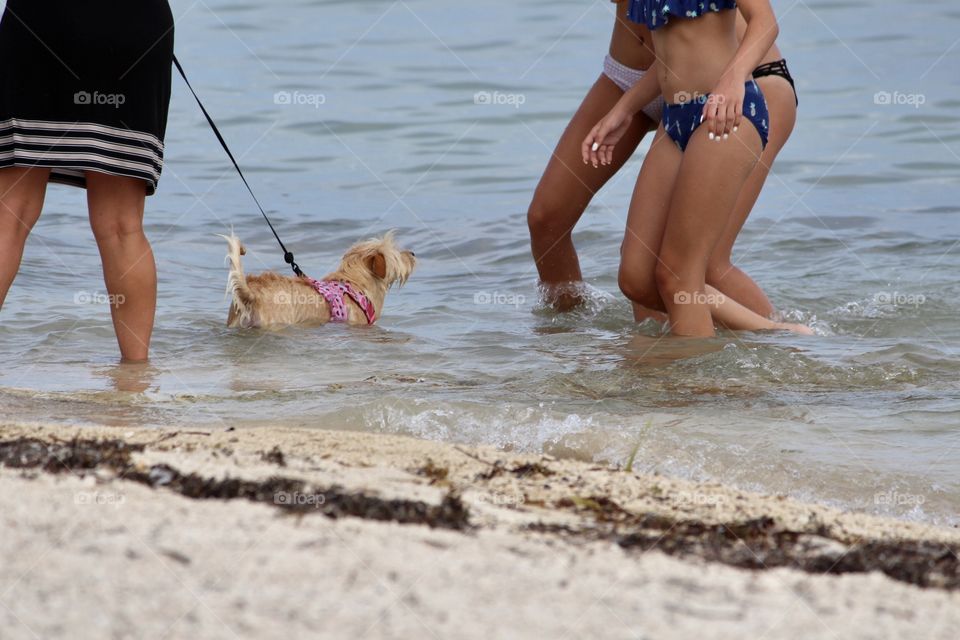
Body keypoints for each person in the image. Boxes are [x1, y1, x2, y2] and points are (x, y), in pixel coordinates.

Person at [585, 0, 809, 335]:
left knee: (678, 276)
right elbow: (673, 53)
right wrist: (624, 109)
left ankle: (699, 369)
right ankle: (775, 332)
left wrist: (733, 78)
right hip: (674, 118)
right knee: (636, 278)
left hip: (724, 113)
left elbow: (764, 22)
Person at [0, 0, 175, 362]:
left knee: (9, 216)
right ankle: (135, 376)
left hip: (42, 24)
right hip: (133, 27)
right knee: (122, 227)